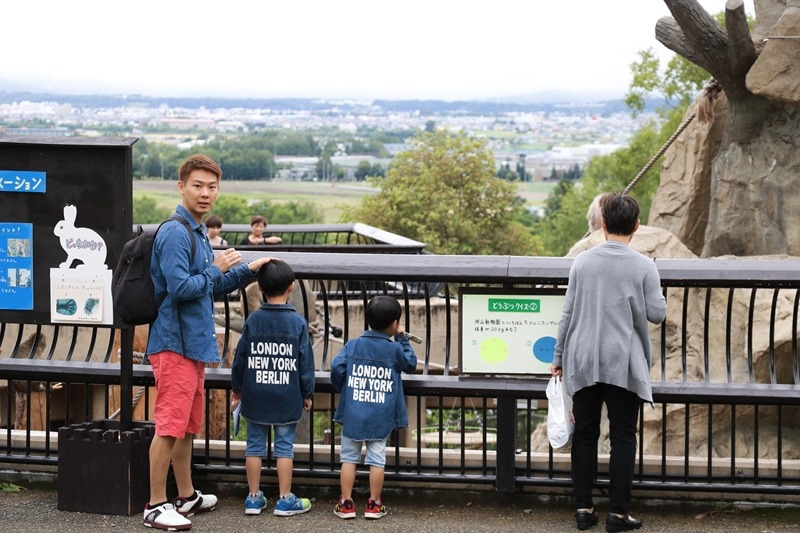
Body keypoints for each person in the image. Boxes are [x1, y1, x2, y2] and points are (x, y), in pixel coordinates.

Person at [143, 154, 274, 531]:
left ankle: (185, 496)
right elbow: (182, 288)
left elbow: (209, 286)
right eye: (197, 185)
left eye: (212, 186)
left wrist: (244, 272)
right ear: (181, 186)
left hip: (192, 342)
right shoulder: (173, 232)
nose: (205, 193)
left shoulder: (197, 230)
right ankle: (155, 505)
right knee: (169, 425)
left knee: (186, 426)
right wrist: (215, 268)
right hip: (173, 342)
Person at [550, 193, 666, 533]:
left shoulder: (582, 263)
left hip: (582, 358)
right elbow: (657, 313)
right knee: (623, 437)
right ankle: (618, 514)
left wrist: (558, 358)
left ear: (603, 224)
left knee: (585, 434)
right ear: (636, 226)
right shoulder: (644, 266)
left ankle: (584, 510)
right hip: (623, 361)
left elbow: (567, 314)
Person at [230, 259, 315, 517]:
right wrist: (306, 392)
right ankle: (285, 499)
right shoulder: (298, 323)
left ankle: (254, 498)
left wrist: (237, 389)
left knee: (254, 446)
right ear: (291, 288)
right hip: (287, 394)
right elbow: (305, 362)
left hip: (255, 393)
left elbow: (240, 358)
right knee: (284, 447)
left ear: (261, 290)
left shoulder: (254, 321)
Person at [329, 295, 417, 520]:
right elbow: (410, 364)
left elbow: (336, 367)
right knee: (377, 459)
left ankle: (346, 503)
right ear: (395, 324)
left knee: (349, 457)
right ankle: (374, 504)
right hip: (381, 414)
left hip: (353, 412)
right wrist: (403, 340)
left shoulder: (353, 344)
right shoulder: (394, 350)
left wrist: (347, 388)